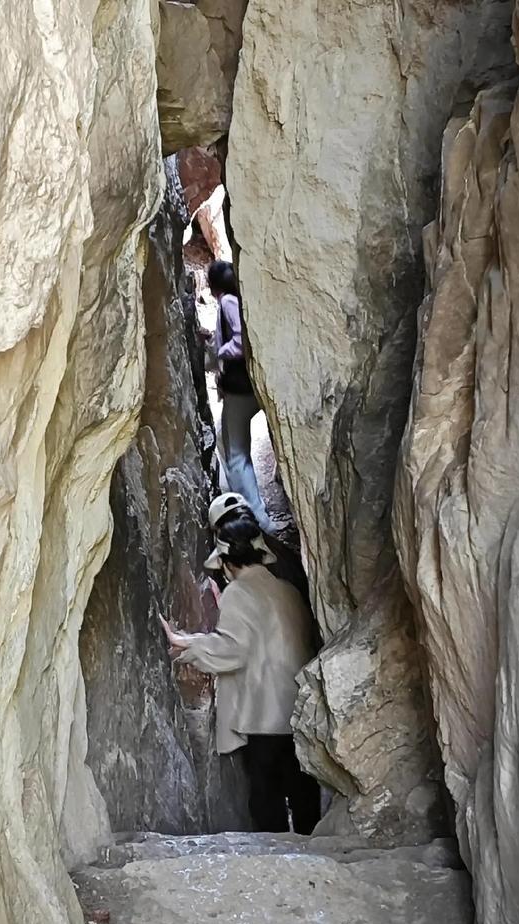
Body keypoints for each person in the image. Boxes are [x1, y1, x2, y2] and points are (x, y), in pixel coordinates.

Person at [159, 502, 320, 834]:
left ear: (228, 562)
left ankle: (272, 871)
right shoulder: (287, 590)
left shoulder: (237, 593)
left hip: (265, 719)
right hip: (300, 713)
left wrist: (186, 647)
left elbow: (233, 650)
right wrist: (194, 641)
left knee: (267, 803)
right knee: (305, 801)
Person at [205, 260, 275, 534]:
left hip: (240, 388)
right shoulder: (240, 299)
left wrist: (219, 351)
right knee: (225, 437)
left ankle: (257, 519)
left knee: (236, 454)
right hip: (250, 385)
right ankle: (241, 502)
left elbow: (240, 339)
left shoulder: (227, 302)